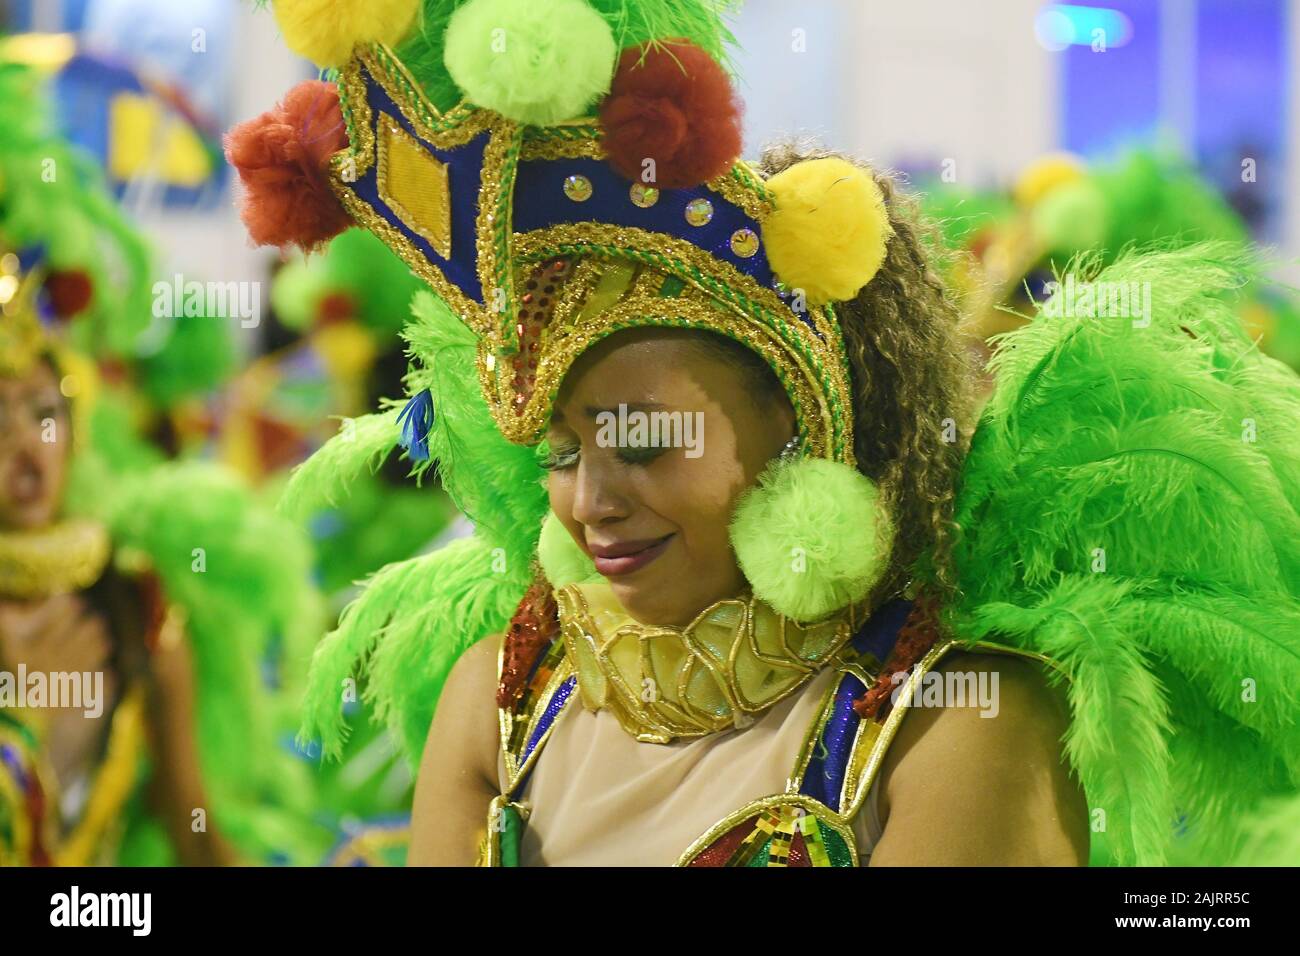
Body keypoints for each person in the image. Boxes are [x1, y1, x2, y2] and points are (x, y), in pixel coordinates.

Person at [232, 0, 1300, 866]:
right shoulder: (503, 691)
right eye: (560, 450)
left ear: (797, 435)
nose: (590, 499)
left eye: (642, 441)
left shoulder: (954, 725)